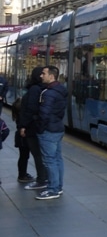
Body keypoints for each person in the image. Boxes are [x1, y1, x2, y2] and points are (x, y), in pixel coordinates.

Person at [35, 66, 68, 200]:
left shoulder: (48, 93)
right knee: (57, 158)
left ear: (51, 76)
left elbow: (44, 114)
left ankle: (53, 189)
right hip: (58, 128)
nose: (41, 76)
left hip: (48, 130)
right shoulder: (61, 90)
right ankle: (58, 187)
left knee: (50, 160)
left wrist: (40, 128)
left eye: (44, 73)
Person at [14, 67, 45, 184]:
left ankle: (24, 175)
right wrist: (23, 126)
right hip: (30, 127)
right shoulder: (36, 90)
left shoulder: (33, 89)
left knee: (25, 154)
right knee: (34, 154)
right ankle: (36, 177)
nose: (43, 76)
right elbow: (30, 109)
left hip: (28, 126)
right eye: (42, 74)